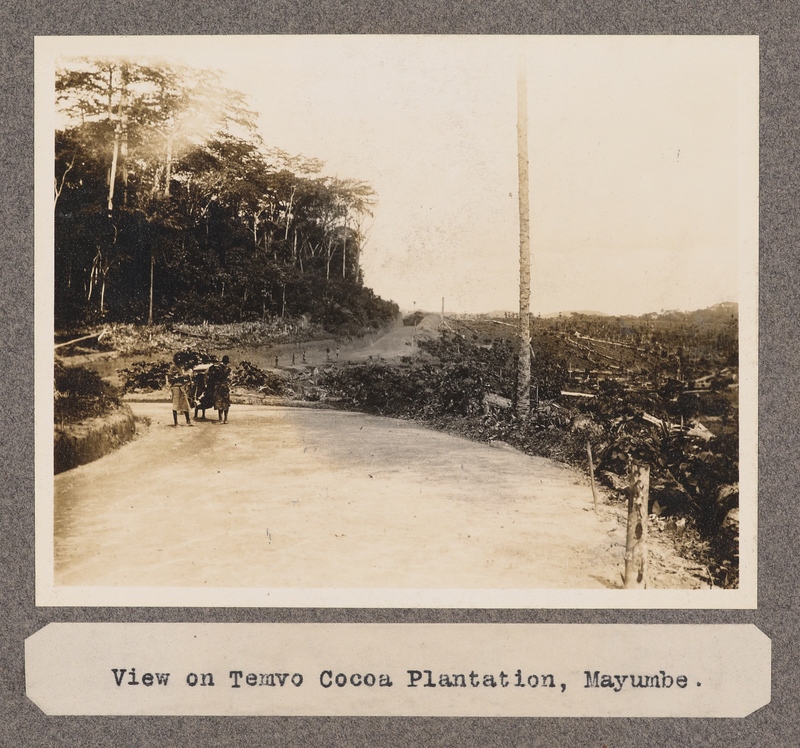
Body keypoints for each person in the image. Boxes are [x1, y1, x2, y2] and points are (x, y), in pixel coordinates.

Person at [167, 355, 194, 427]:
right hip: (175, 387)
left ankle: (188, 421)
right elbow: (170, 379)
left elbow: (183, 378)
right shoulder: (173, 367)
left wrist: (185, 378)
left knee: (185, 403)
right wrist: (180, 377)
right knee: (175, 404)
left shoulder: (181, 368)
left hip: (182, 386)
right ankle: (176, 423)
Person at [212, 355, 232, 424]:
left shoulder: (218, 368)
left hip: (219, 387)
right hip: (225, 387)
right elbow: (228, 379)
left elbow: (215, 378)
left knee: (220, 403)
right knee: (226, 403)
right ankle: (225, 419)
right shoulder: (228, 369)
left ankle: (220, 419)